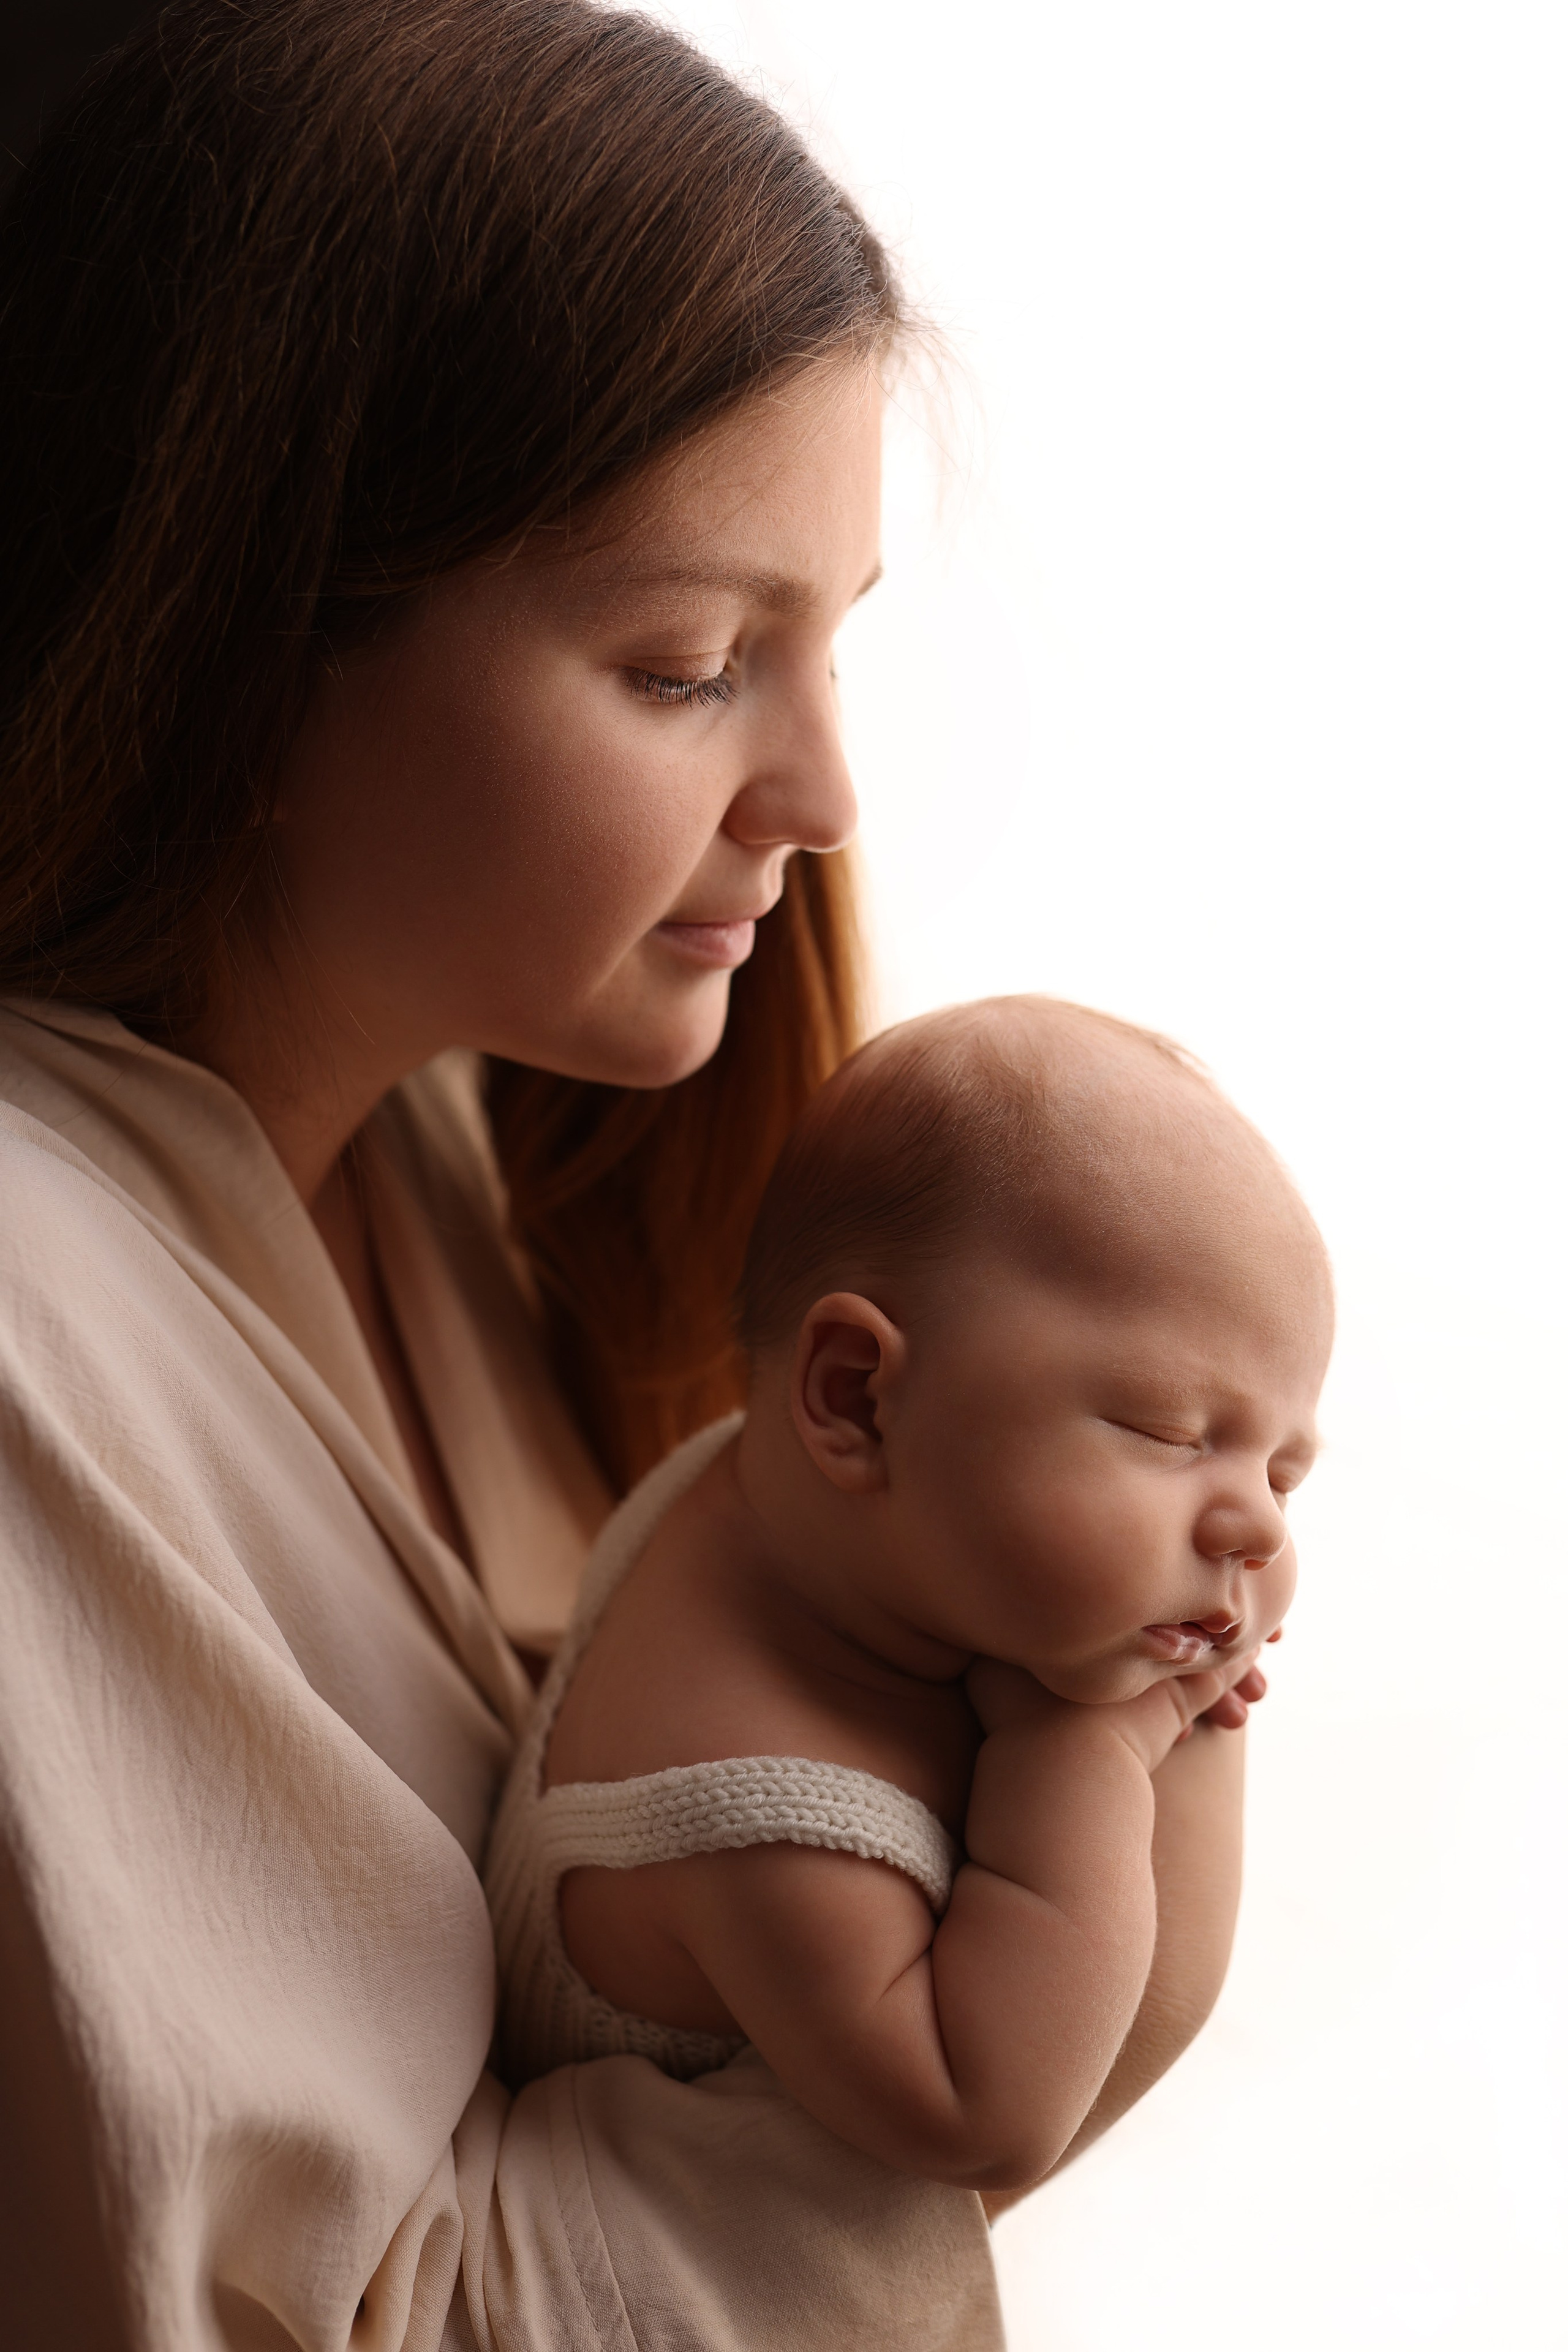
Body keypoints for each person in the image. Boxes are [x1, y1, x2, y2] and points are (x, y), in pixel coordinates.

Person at [0, 2, 1267, 2343]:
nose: (823, 794)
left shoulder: (477, 1175)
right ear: (250, 661)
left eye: (833, 650)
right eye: (691, 662)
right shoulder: (30, 1315)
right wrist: (1028, 1857)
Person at [488, 998, 1326, 2193]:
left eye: (1282, 1470)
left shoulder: (793, 1518)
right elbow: (988, 2121)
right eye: (1168, 1432)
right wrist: (1099, 1742)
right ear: (855, 1397)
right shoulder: (756, 1811)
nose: (1254, 1528)